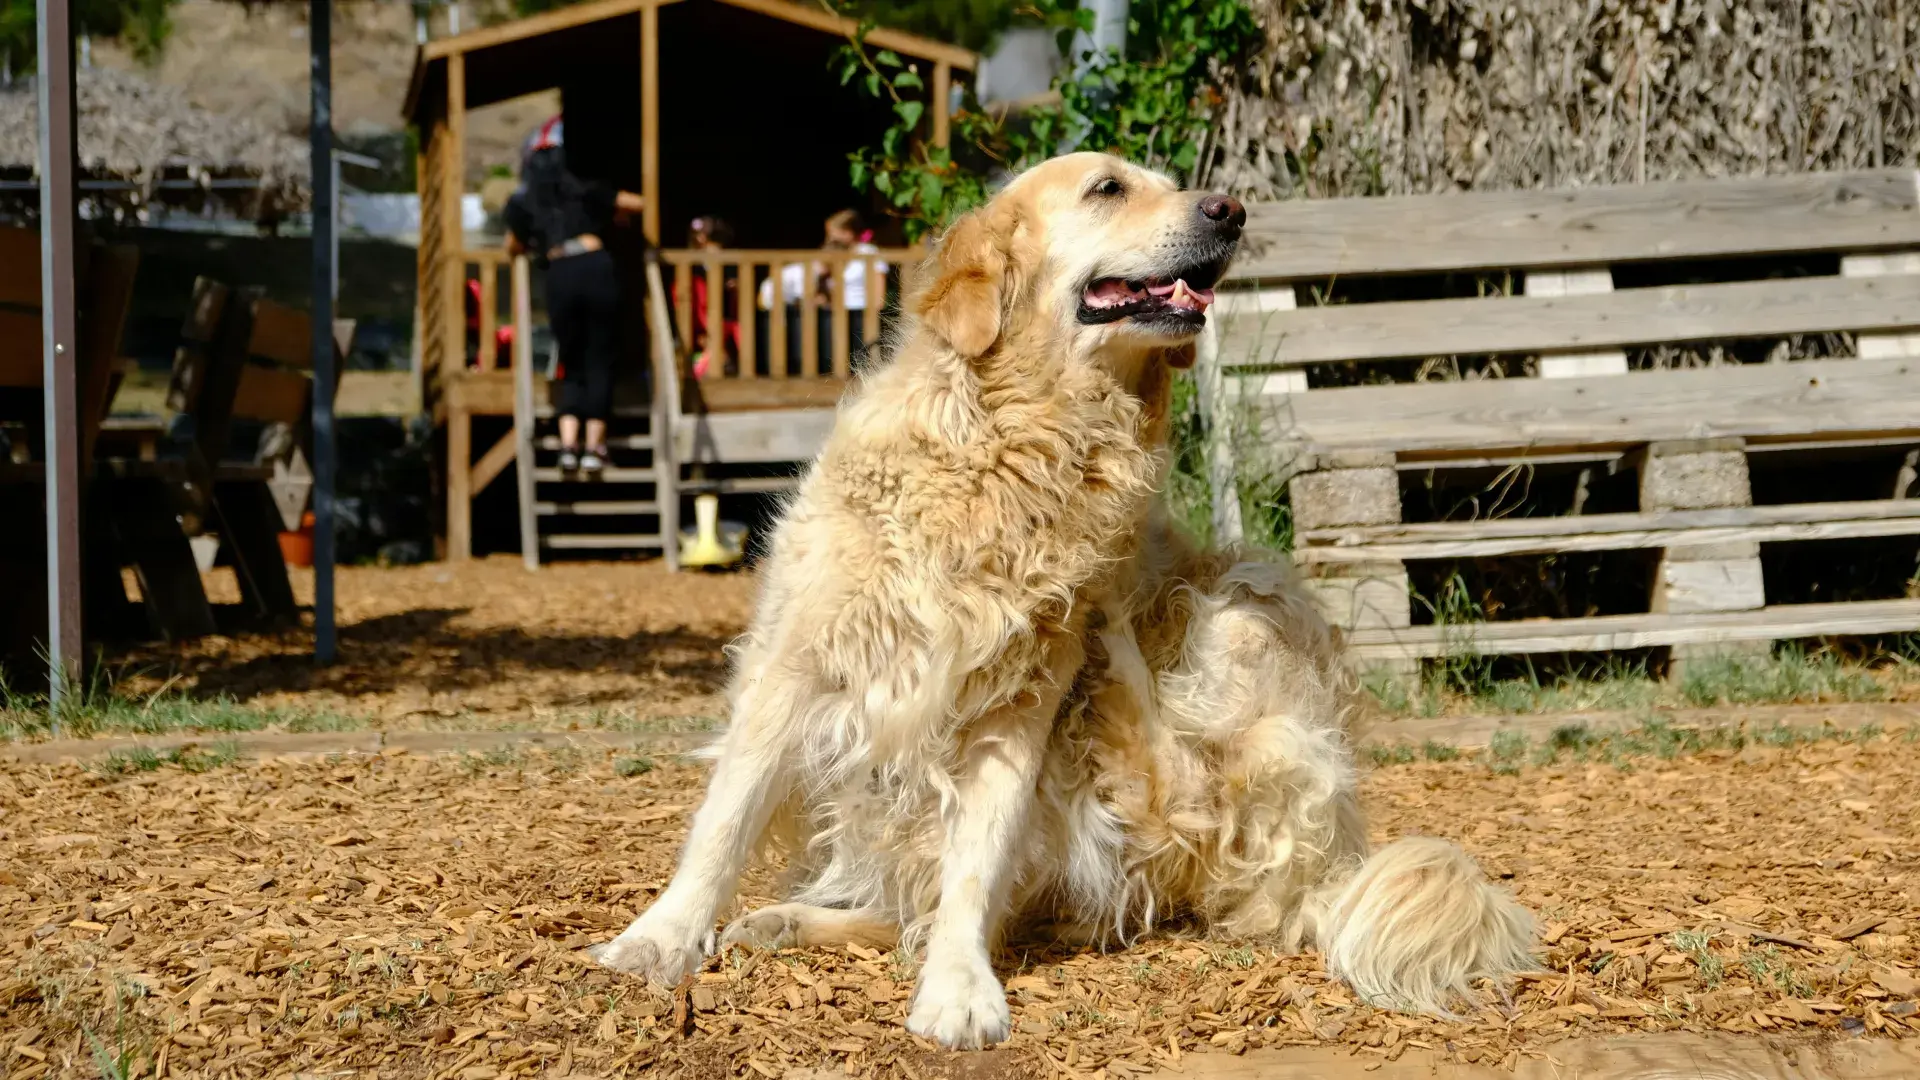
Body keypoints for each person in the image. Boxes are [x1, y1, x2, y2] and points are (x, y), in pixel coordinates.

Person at [502, 116, 644, 474]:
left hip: (560, 272)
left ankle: (568, 445)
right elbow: (636, 202)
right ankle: (595, 447)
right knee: (600, 356)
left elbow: (513, 245)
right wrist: (616, 217)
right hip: (596, 267)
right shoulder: (582, 188)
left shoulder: (523, 202)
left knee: (571, 359)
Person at [675, 215, 738, 379]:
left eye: (706, 235)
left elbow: (733, 283)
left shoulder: (726, 261)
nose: (701, 238)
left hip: (723, 312)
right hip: (699, 312)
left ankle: (722, 361)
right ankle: (714, 361)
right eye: (697, 234)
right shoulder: (691, 264)